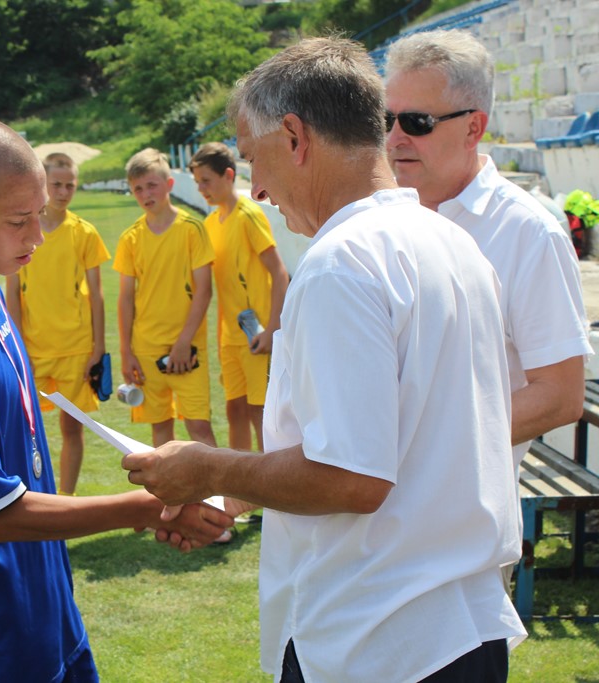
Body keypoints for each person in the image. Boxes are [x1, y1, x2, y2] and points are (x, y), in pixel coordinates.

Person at [122, 38, 526, 682]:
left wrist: (207, 469)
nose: (256, 186)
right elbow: (404, 447)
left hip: (377, 641)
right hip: (456, 628)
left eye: (255, 159)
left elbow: (350, 478)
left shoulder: (343, 262)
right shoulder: (451, 242)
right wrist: (233, 492)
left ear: (295, 136)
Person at [0, 117, 234, 682]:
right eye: (20, 222)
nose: (36, 238)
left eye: (39, 216)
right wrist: (148, 507)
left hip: (43, 605)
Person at [384, 30, 589, 465]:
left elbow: (560, 396)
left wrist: (419, 445)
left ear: (474, 127)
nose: (395, 138)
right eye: (386, 120)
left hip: (461, 524)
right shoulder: (378, 215)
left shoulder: (529, 234)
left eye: (417, 122)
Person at [5, 153, 110, 495]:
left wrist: (98, 348)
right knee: (21, 429)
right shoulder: (23, 232)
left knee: (72, 429)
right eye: (57, 184)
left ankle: (66, 500)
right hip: (32, 348)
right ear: (42, 185)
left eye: (70, 185)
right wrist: (17, 345)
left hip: (76, 349)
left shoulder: (84, 232)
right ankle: (26, 497)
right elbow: (13, 294)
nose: (64, 191)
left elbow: (97, 295)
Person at [188, 142, 289, 452]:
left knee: (261, 413)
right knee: (234, 410)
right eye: (197, 183)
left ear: (229, 175)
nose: (202, 189)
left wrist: (273, 328)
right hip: (230, 337)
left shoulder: (248, 214)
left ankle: (271, 486)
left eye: (207, 180)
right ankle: (240, 493)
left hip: (256, 335)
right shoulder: (209, 223)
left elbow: (279, 272)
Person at [114, 148, 216, 448]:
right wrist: (126, 352)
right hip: (145, 349)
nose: (146, 193)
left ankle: (222, 496)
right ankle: (167, 498)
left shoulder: (192, 230)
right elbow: (125, 299)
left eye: (151, 185)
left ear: (169, 184)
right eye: (138, 189)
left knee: (199, 427)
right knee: (160, 430)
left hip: (188, 348)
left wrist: (184, 342)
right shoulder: (130, 238)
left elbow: (204, 291)